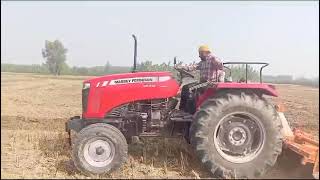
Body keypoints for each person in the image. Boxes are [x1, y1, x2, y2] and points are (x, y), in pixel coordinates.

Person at [178, 45, 225, 112]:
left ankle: (189, 111)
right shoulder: (202, 62)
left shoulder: (213, 58)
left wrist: (217, 63)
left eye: (200, 53)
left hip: (209, 83)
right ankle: (182, 109)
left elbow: (220, 66)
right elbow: (192, 67)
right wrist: (181, 67)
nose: (199, 56)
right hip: (203, 83)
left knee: (189, 89)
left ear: (205, 52)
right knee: (185, 87)